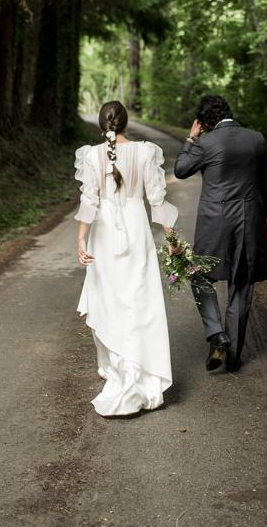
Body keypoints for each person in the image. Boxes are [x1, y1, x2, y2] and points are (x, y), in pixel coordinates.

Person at [74, 100, 179, 417]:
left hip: (104, 234)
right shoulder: (146, 152)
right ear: (126, 122)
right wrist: (172, 239)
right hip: (135, 230)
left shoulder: (91, 155)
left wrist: (80, 239)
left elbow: (89, 201)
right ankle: (141, 378)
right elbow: (157, 200)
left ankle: (121, 374)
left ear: (101, 124)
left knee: (111, 300)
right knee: (139, 301)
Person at [174, 95, 267, 373]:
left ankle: (216, 333)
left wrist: (190, 138)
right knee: (242, 284)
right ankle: (233, 356)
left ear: (205, 121)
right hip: (250, 220)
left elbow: (181, 170)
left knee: (200, 275)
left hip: (215, 222)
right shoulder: (256, 138)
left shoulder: (206, 142)